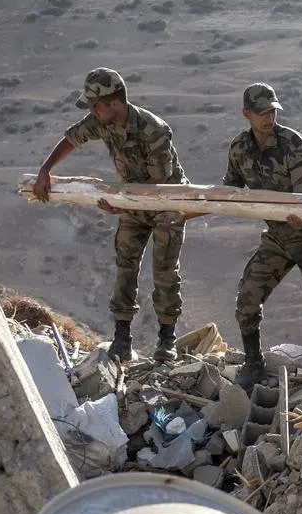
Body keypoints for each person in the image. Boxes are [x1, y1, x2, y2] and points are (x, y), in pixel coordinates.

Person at [32, 67, 186, 363]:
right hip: (129, 201)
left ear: (114, 103)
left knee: (165, 272)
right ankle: (122, 337)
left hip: (166, 203)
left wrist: (122, 205)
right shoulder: (101, 120)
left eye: (95, 105)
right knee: (125, 266)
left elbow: (159, 186)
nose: (92, 110)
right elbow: (71, 139)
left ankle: (167, 339)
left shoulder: (153, 130)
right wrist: (45, 170)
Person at [224, 82, 302, 388]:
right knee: (247, 297)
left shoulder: (293, 143)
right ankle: (253, 361)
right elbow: (231, 187)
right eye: (261, 113)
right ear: (247, 114)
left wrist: (300, 213)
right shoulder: (239, 148)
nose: (268, 118)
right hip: (278, 238)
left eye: (272, 111)